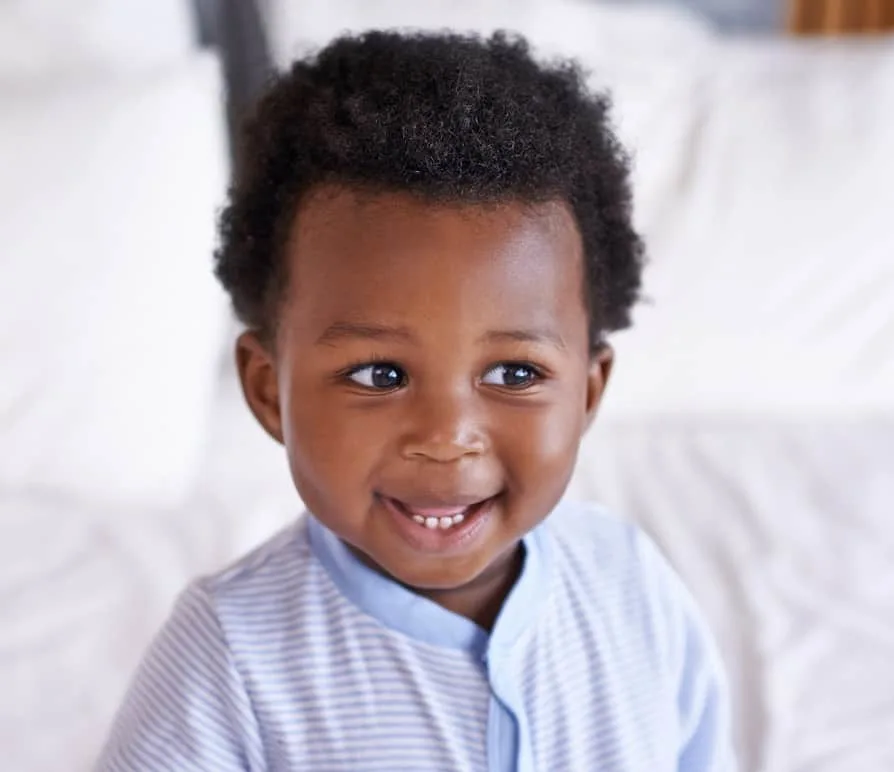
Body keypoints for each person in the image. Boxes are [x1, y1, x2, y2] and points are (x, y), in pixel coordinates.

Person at [96, 30, 734, 771]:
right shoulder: (229, 660)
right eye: (379, 375)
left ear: (589, 392)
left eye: (516, 375)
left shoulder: (633, 585)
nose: (446, 435)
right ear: (270, 391)